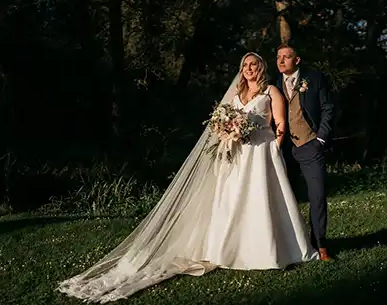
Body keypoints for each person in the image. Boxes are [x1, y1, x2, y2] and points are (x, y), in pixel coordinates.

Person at [56, 52, 318, 303]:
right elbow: (224, 121)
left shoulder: (270, 91)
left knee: (262, 198)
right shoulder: (237, 93)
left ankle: (270, 249)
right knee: (233, 198)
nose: (249, 68)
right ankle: (229, 246)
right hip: (238, 152)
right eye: (245, 65)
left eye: (253, 64)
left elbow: (280, 123)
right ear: (242, 69)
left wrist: (275, 146)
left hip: (262, 150)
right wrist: (229, 131)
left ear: (261, 67)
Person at [275, 44, 334, 261]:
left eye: (286, 57)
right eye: (279, 57)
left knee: (317, 196)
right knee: (285, 198)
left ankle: (321, 246)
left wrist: (321, 138)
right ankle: (291, 246)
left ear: (297, 60)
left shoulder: (314, 78)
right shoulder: (274, 84)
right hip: (285, 149)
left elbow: (328, 107)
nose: (281, 61)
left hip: (311, 145)